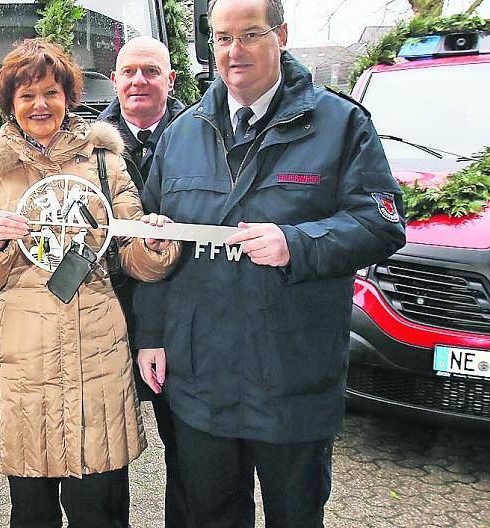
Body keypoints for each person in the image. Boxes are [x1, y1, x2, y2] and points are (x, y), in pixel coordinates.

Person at [136, 0, 407, 526]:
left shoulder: (340, 124)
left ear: (281, 35)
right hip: (201, 376)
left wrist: (297, 243)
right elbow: (155, 243)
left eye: (250, 34)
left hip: (292, 375)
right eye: (222, 38)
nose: (234, 51)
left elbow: (381, 223)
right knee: (209, 514)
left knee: (295, 514)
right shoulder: (183, 133)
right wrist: (151, 334)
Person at [0, 38, 179, 528]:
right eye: (27, 95)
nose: (40, 105)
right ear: (10, 103)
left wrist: (153, 243)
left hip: (95, 351)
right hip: (20, 358)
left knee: (100, 506)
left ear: (68, 97)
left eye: (51, 93)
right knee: (31, 509)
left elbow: (135, 258)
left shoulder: (103, 160)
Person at [98, 35, 189, 528]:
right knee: (108, 451)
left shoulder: (198, 136)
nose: (139, 81)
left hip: (180, 318)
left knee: (188, 452)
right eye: (129, 72)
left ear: (170, 80)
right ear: (114, 80)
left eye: (151, 71)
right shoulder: (89, 144)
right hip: (108, 319)